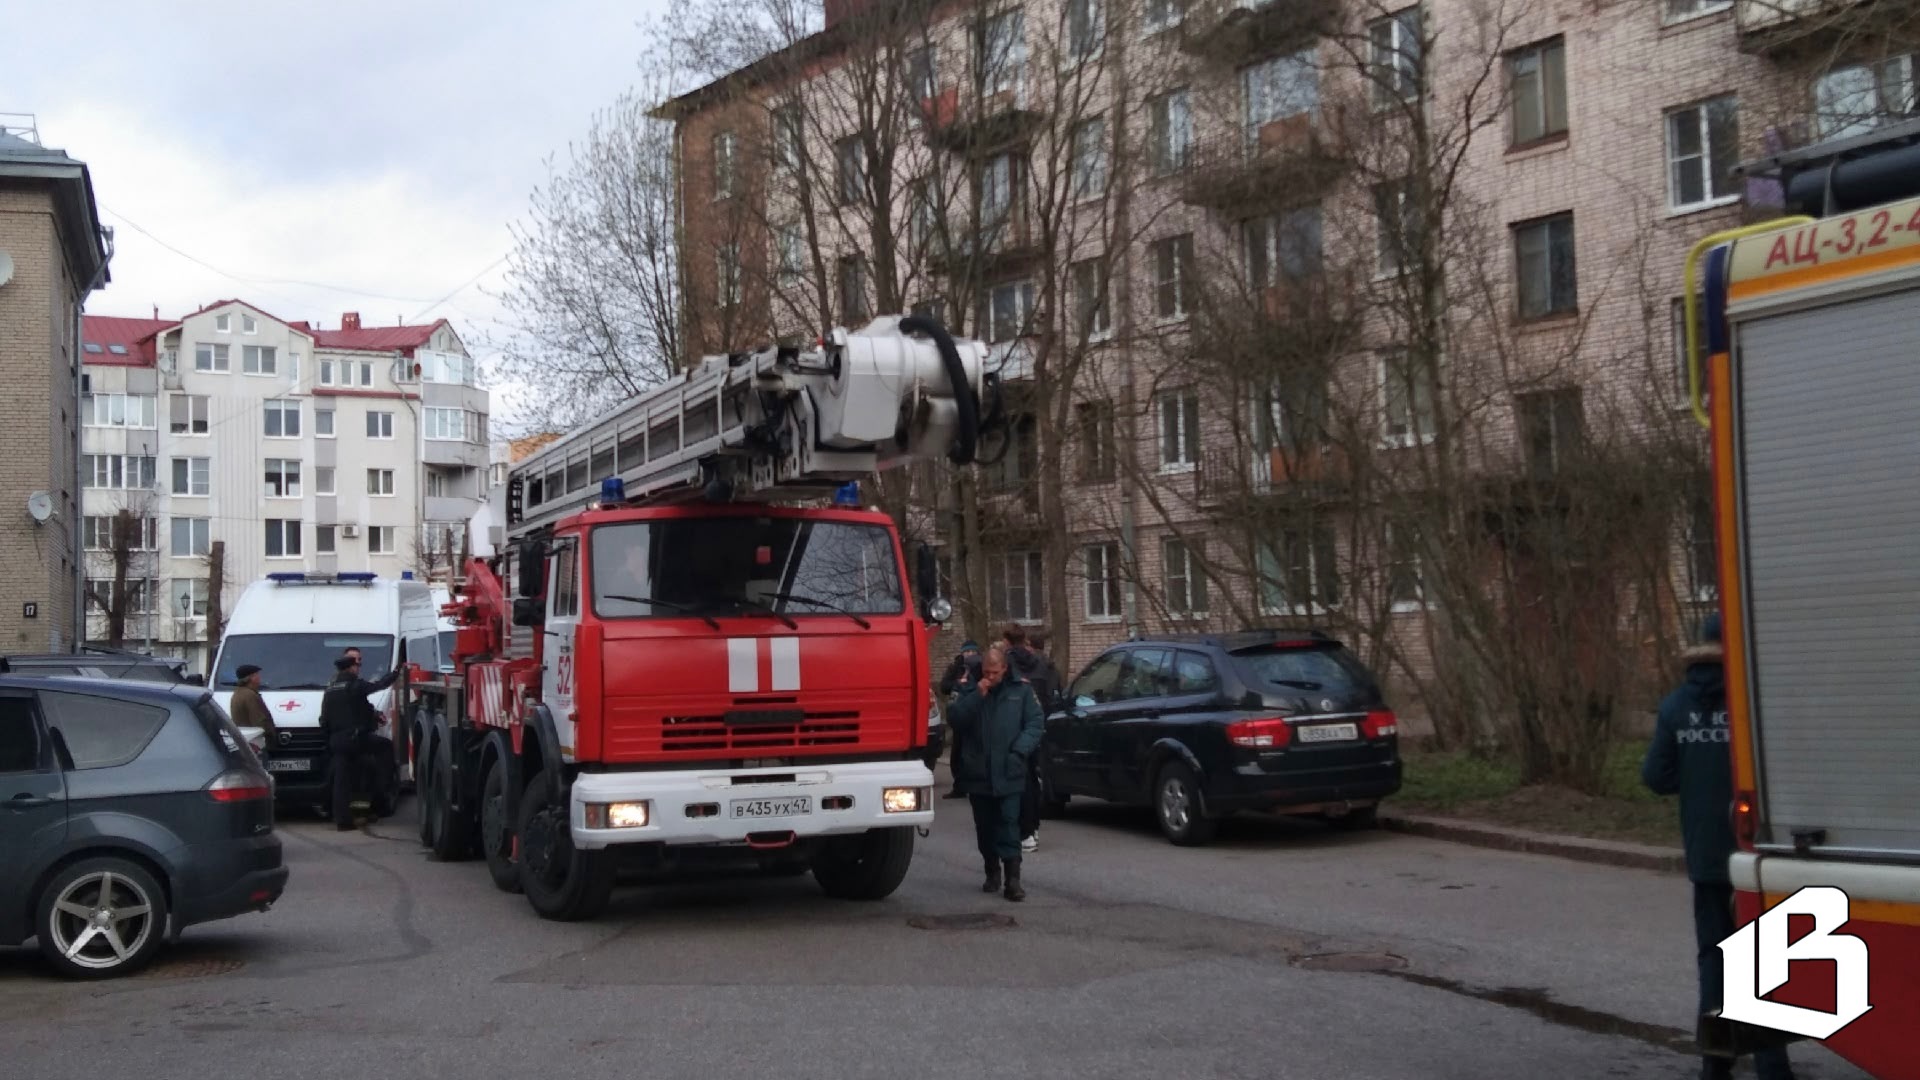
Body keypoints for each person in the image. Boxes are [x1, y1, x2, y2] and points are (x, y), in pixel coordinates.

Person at [1642, 615, 1796, 1080]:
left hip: (1707, 855)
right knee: (1763, 957)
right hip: (1756, 855)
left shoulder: (1674, 707)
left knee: (1714, 958)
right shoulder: (1751, 701)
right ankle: (1772, 1067)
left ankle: (1717, 1062)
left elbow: (1655, 777)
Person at [948, 643, 1043, 902]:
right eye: (987, 672)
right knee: (985, 826)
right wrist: (976, 695)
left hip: (1009, 769)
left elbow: (1035, 723)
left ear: (1004, 669)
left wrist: (1019, 752)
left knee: (1009, 823)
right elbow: (955, 719)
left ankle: (1014, 880)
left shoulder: (1020, 690)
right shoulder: (968, 686)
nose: (990, 677)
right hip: (978, 771)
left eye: (995, 673)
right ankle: (992, 870)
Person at [320, 653, 401, 830]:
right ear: (351, 668)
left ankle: (343, 820)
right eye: (357, 666)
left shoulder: (330, 688)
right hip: (355, 738)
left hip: (337, 740)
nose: (358, 669)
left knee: (341, 780)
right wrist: (396, 673)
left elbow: (324, 718)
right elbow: (379, 685)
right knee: (385, 748)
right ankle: (385, 795)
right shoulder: (354, 684)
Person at [1003, 625, 1060, 853]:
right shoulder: (1043, 663)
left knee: (1020, 781)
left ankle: (1024, 831)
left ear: (1007, 641)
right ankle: (1033, 827)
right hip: (1038, 725)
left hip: (1014, 728)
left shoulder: (1005, 663)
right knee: (1033, 779)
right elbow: (1053, 690)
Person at [938, 640, 982, 799]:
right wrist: (958, 684)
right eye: (967, 652)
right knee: (957, 752)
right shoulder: (956, 667)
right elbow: (944, 686)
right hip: (960, 712)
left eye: (972, 652)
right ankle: (960, 786)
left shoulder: (980, 667)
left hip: (977, 714)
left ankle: (976, 784)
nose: (969, 655)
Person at [227, 664, 274, 745]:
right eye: (257, 675)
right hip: (254, 742)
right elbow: (259, 721)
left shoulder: (239, 693)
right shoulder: (250, 695)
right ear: (251, 678)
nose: (259, 678)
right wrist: (270, 734)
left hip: (246, 740)